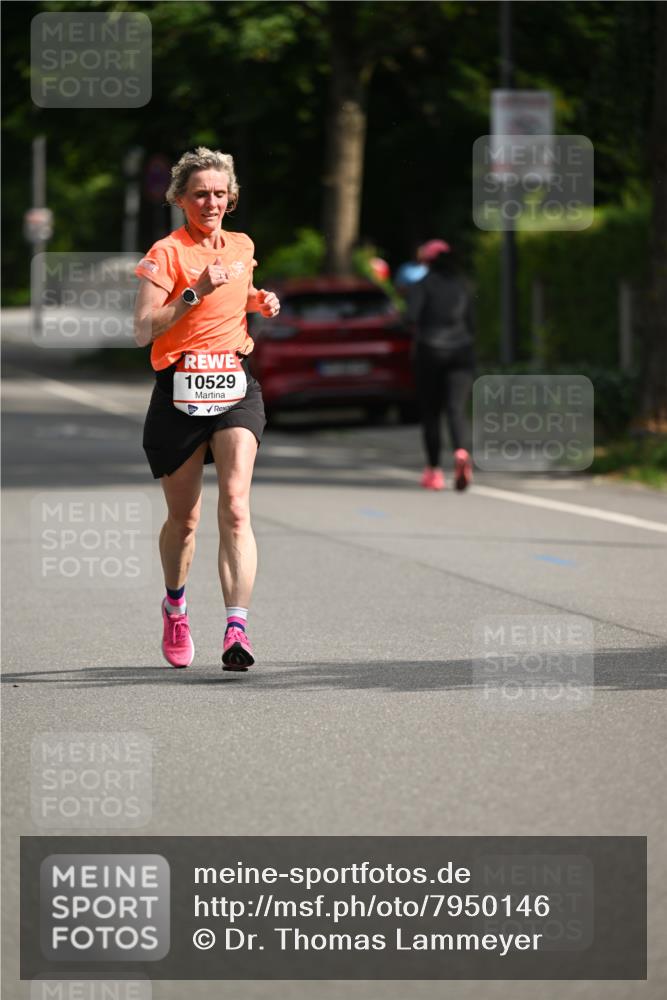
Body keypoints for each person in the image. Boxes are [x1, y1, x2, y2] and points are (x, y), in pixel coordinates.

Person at [133, 147, 280, 671]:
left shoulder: (242, 245)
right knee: (186, 518)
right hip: (179, 390)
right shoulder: (165, 253)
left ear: (232, 197)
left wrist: (257, 300)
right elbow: (143, 329)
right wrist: (193, 291)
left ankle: (236, 629)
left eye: (220, 193)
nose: (211, 202)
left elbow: (236, 296)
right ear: (180, 199)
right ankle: (176, 605)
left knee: (237, 507)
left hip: (234, 386)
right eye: (200, 194)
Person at [406, 239, 475, 491]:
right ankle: (461, 451)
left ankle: (434, 472)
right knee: (456, 409)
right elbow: (471, 323)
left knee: (431, 414)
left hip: (429, 352)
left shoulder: (421, 285)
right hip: (462, 352)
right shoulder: (464, 285)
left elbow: (411, 317)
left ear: (427, 260)